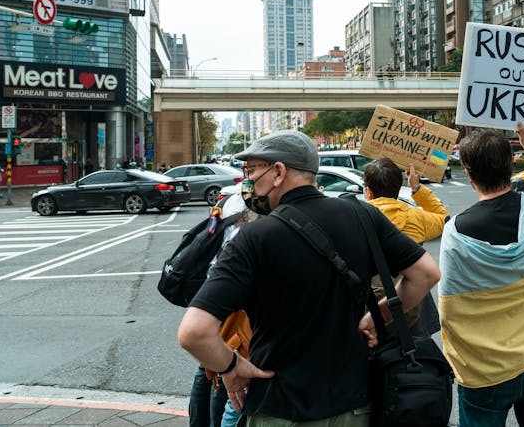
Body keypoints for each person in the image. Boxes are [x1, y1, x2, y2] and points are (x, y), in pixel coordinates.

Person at [177, 130, 440, 425]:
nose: (247, 181)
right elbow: (425, 273)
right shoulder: (363, 216)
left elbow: (194, 332)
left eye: (252, 170)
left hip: (279, 407)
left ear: (278, 171)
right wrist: (376, 317)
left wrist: (230, 367)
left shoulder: (253, 238)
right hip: (354, 407)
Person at [438, 123, 524, 426]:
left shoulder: (456, 232)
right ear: (512, 165)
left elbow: (451, 307)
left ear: (469, 174)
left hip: (483, 368)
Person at [189, 192, 256, 427]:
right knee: (226, 369)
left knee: (208, 366)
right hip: (235, 297)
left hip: (213, 286)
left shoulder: (228, 200)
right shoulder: (259, 205)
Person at [363, 158, 448, 336]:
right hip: (412, 305)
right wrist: (416, 188)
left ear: (368, 192)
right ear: (399, 188)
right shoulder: (415, 217)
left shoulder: (355, 220)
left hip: (370, 309)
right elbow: (443, 218)